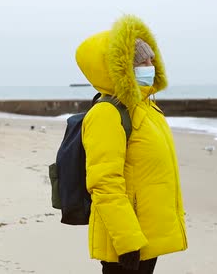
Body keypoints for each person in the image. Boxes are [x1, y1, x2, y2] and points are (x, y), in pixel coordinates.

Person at [75, 15, 188, 273]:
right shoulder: (107, 113)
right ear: (119, 67)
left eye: (151, 59)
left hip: (146, 234)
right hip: (126, 241)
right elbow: (104, 183)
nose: (151, 66)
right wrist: (127, 241)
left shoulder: (146, 109)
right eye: (142, 62)